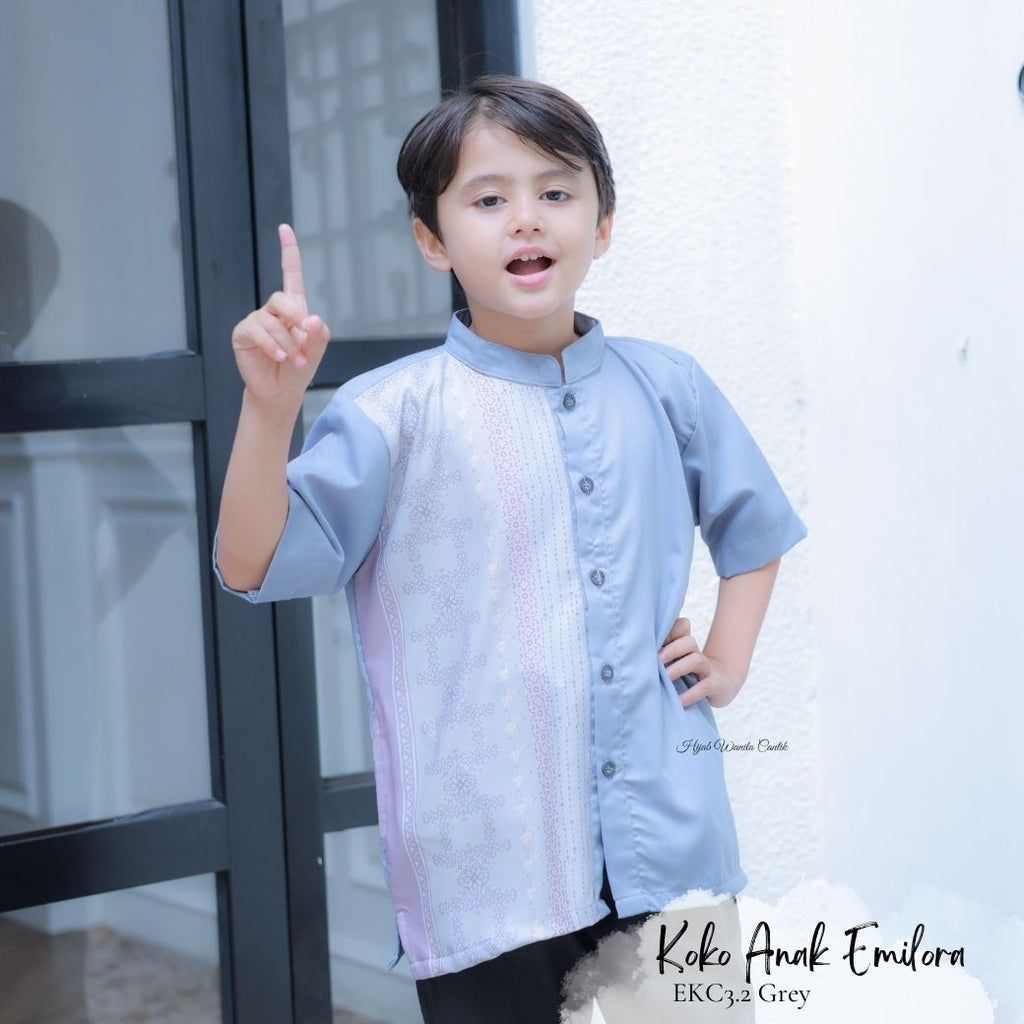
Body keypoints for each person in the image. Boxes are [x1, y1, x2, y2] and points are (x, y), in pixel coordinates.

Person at [215, 75, 806, 1023]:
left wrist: (727, 662)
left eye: (556, 191)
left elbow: (756, 529)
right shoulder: (391, 413)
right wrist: (269, 408)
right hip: (487, 864)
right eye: (488, 199)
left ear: (602, 224)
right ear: (433, 240)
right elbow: (254, 563)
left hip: (671, 837)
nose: (526, 218)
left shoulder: (669, 386)